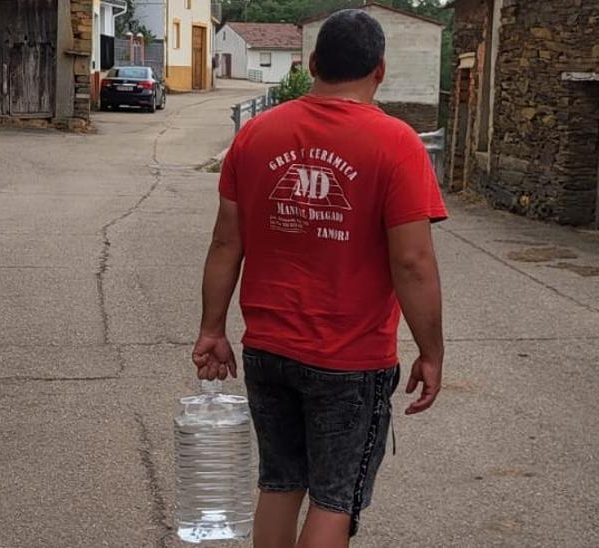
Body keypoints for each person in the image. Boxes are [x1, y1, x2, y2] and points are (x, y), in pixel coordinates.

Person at [192, 9, 448, 548]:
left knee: (280, 483)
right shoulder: (397, 143)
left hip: (267, 349)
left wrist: (212, 329)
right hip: (350, 359)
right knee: (334, 500)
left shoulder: (257, 135)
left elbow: (224, 243)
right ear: (380, 70)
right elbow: (413, 262)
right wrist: (432, 351)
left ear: (312, 63)